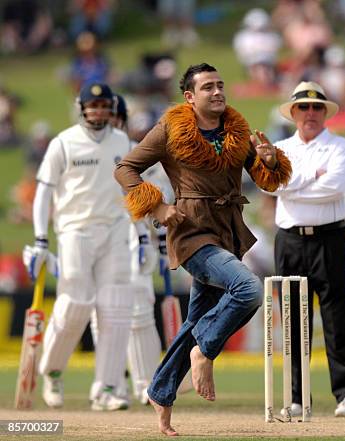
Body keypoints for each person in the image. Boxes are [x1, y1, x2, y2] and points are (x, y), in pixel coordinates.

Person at [114, 62, 291, 436]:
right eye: (208, 86)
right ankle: (204, 351)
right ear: (190, 97)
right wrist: (158, 206)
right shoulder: (169, 129)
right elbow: (126, 169)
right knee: (248, 289)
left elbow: (267, 180)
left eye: (220, 84)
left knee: (195, 321)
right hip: (190, 231)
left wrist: (270, 162)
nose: (217, 91)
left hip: (228, 230)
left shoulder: (238, 130)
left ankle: (161, 395)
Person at [23, 82, 135, 411]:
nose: (98, 111)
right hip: (75, 229)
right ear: (81, 107)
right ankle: (53, 370)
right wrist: (41, 238)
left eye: (104, 106)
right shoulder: (64, 143)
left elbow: (133, 188)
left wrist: (142, 233)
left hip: (115, 228)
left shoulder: (122, 141)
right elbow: (43, 192)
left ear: (111, 108)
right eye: (93, 105)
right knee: (75, 303)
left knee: (116, 306)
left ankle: (108, 388)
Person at [269, 81, 345, 417]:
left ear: (324, 112)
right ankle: (297, 397)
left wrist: (291, 185)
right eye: (303, 107)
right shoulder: (280, 148)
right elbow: (271, 186)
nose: (310, 113)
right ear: (293, 112)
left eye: (316, 107)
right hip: (290, 239)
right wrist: (311, 176)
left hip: (329, 237)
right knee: (295, 320)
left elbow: (335, 188)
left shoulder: (339, 146)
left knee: (337, 318)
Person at [89, 94, 173, 406]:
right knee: (105, 316)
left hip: (139, 245)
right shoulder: (98, 154)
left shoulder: (154, 164)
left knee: (139, 311)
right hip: (102, 243)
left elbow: (161, 206)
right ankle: (109, 386)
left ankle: (145, 384)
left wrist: (161, 244)